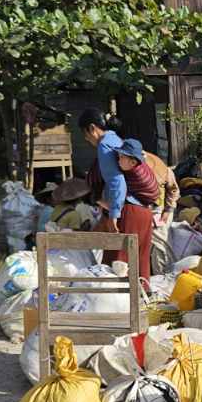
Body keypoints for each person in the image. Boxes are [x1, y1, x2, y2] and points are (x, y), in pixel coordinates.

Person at [78, 106, 154, 280]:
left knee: (117, 268)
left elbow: (116, 181)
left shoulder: (105, 144)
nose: (86, 139)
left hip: (128, 212)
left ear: (92, 128)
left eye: (85, 134)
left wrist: (113, 215)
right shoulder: (116, 139)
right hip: (144, 211)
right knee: (140, 267)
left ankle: (123, 306)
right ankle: (143, 303)